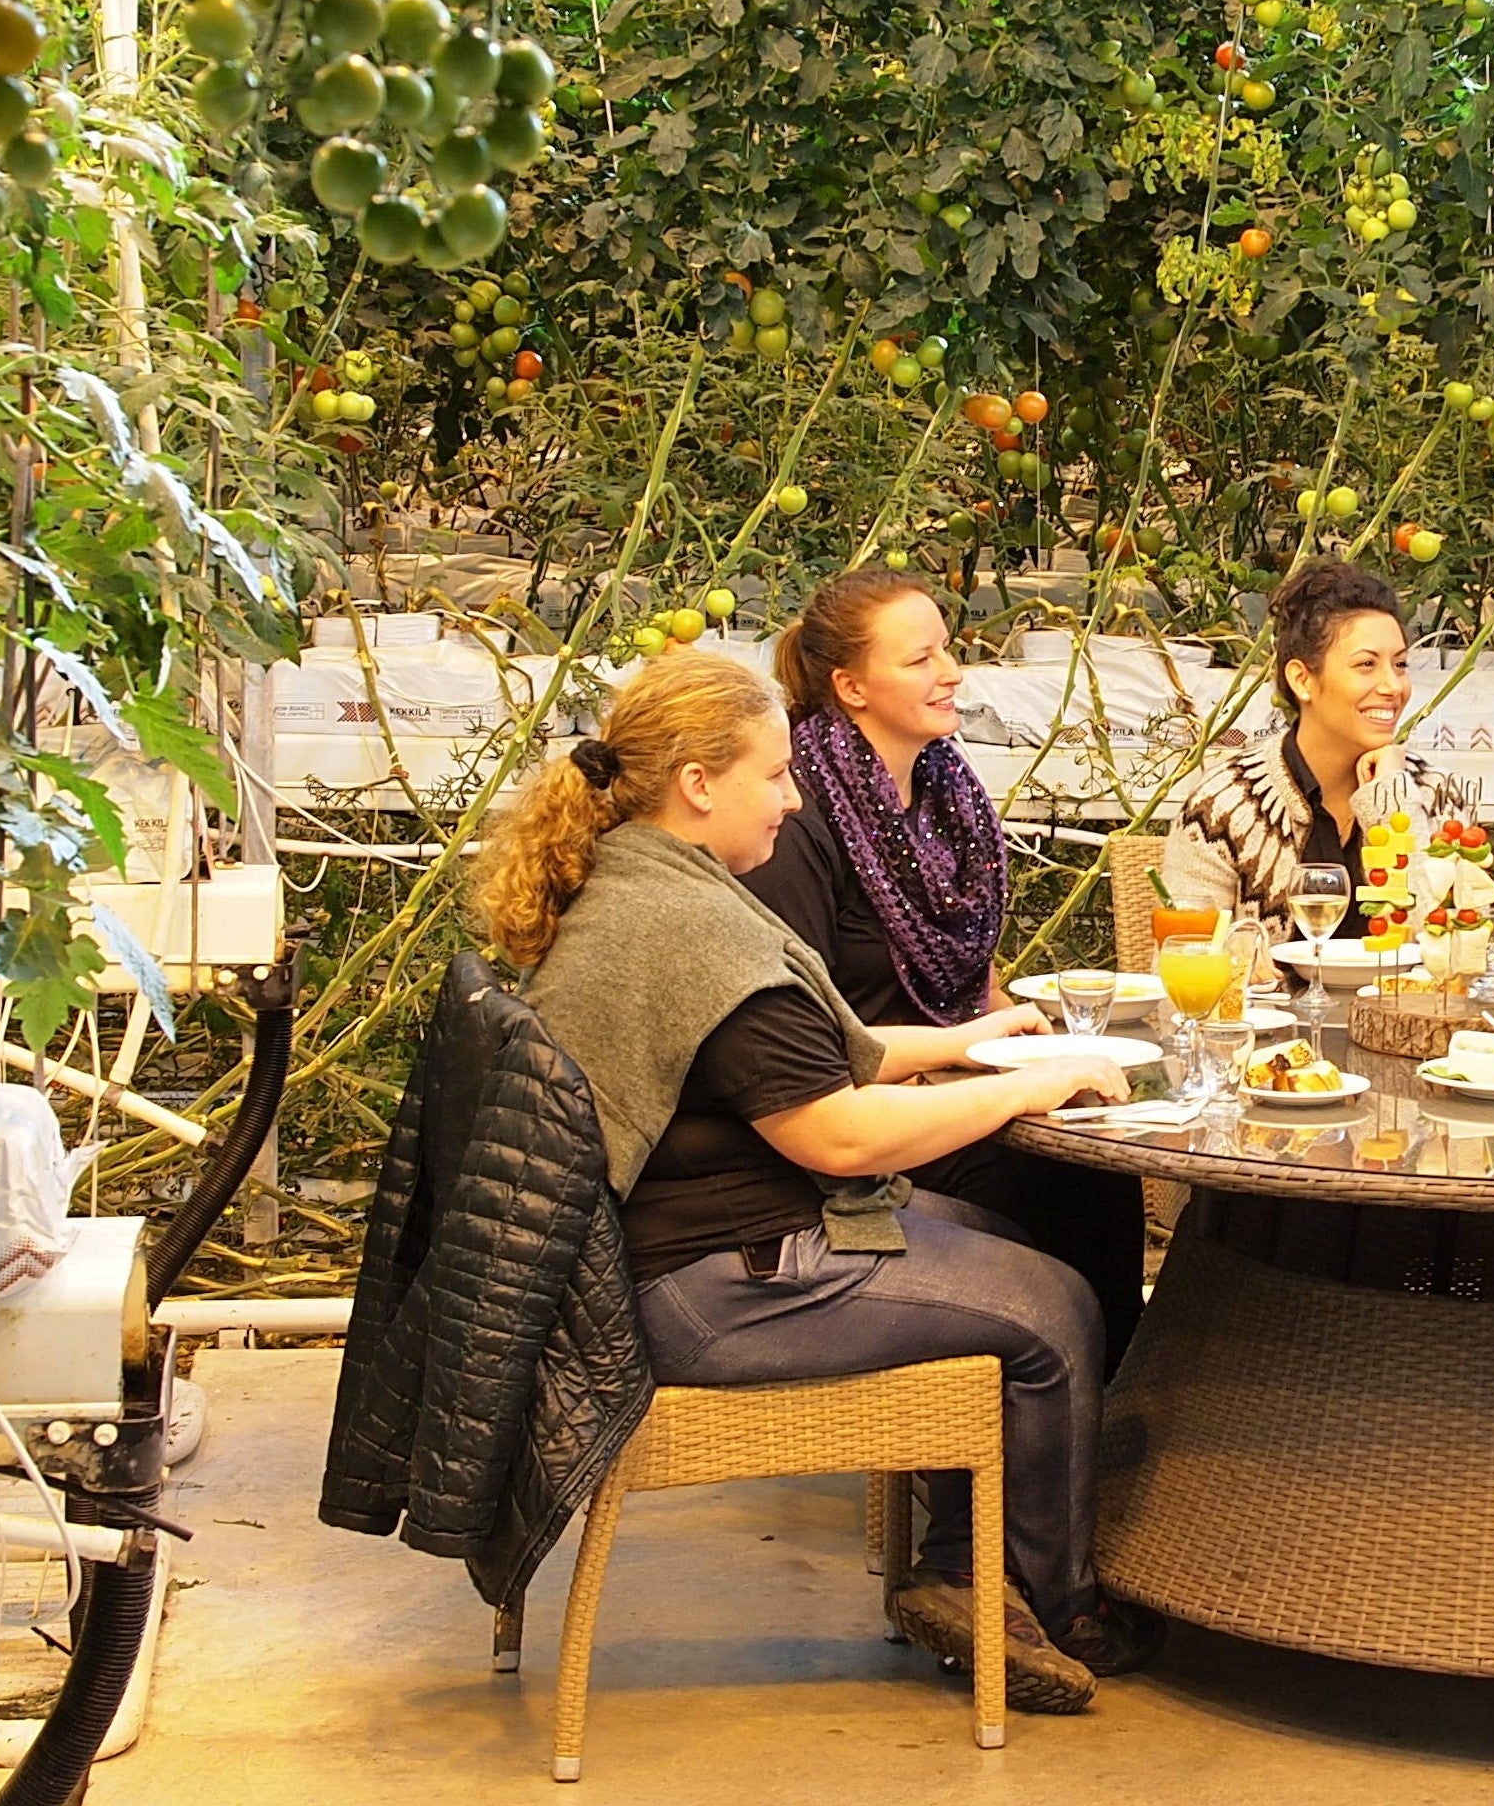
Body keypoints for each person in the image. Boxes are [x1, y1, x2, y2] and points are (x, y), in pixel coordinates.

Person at [477, 644, 1158, 1715]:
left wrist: (981, 1042)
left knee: (1018, 1243)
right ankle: (1044, 1602)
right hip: (701, 1289)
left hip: (687, 1248)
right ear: (699, 784)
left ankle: (964, 1566)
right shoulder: (690, 927)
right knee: (1056, 1306)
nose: (794, 802)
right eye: (776, 775)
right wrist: (1027, 1091)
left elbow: (822, 1053)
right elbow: (840, 1135)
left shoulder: (642, 881)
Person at [742, 571, 1153, 1371]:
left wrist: (1023, 1045)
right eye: (922, 658)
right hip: (862, 1113)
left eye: (949, 650)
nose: (952, 672)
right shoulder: (794, 820)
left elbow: (974, 969)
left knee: (1096, 1155)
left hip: (952, 1075)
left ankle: (1116, 1410)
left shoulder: (943, 793)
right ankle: (1028, 1426)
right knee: (1054, 1185)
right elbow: (804, 1033)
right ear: (851, 686)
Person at [1165, 557, 1474, 926]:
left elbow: (1451, 948)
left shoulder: (1435, 795)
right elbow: (1180, 956)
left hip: (1399, 988)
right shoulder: (1223, 805)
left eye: (1401, 665)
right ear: (1302, 680)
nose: (1393, 686)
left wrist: (1393, 802)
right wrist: (1240, 955)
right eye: (1366, 665)